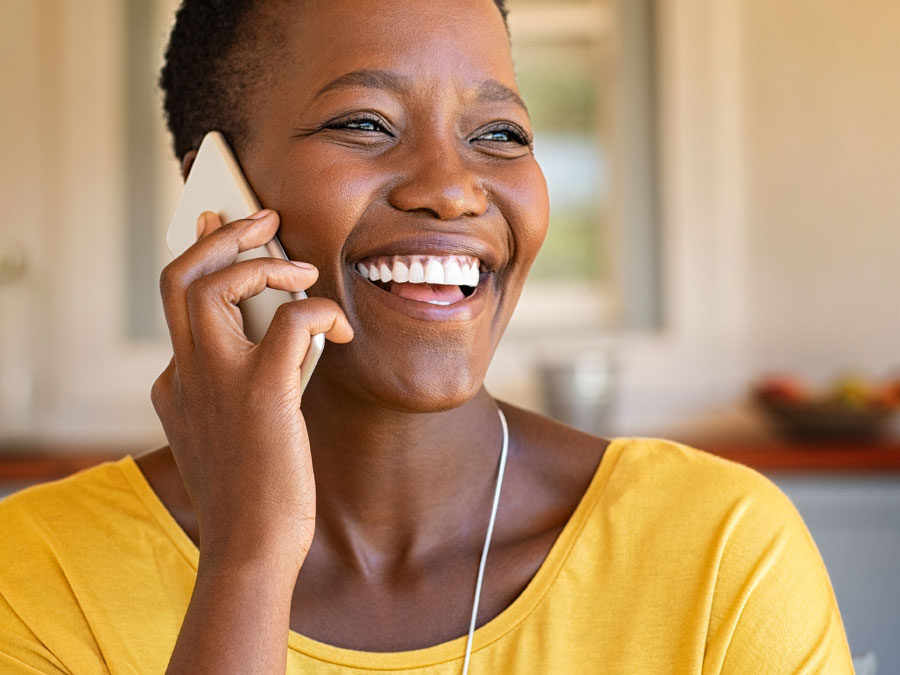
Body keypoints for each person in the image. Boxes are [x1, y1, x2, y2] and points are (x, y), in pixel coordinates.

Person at [0, 1, 854, 673]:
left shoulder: (719, 549)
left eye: (499, 135)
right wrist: (248, 557)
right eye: (365, 123)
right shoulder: (37, 574)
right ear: (217, 198)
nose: (453, 191)